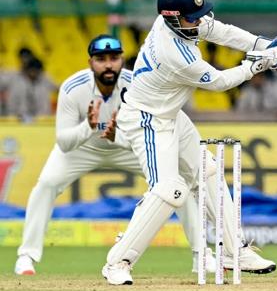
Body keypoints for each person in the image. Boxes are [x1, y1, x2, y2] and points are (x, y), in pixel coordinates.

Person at [101, 0, 277, 285]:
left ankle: (233, 252)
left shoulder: (185, 22)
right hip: (146, 119)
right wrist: (260, 64)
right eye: (191, 17)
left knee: (208, 171)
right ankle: (117, 262)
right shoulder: (174, 53)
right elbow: (220, 82)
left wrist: (267, 46)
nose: (198, 21)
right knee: (170, 191)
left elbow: (223, 32)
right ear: (172, 18)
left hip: (170, 114)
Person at [14, 35, 199, 275]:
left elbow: (149, 137)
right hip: (82, 148)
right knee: (46, 184)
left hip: (126, 146)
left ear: (122, 60)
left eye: (114, 58)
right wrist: (87, 128)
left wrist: (116, 138)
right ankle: (26, 256)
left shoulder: (138, 84)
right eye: (101, 59)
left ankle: (201, 255)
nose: (109, 64)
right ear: (91, 63)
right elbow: (64, 142)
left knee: (174, 184)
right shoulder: (73, 88)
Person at [4, 57, 57, 122]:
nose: (34, 73)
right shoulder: (16, 80)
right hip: (17, 119)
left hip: (41, 119)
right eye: (32, 70)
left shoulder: (45, 79)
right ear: (27, 70)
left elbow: (58, 88)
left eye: (36, 71)